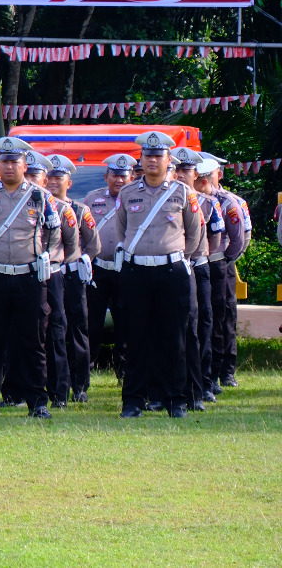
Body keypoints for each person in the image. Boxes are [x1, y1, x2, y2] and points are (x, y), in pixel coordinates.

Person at [0, 136, 60, 419]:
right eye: (4, 161)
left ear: (24, 164)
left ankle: (37, 402)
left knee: (32, 343)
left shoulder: (40, 196)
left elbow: (54, 233)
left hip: (29, 279)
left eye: (14, 161)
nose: (8, 167)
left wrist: (43, 257)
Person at [114, 131, 202, 418]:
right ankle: (133, 401)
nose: (153, 160)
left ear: (168, 160)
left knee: (174, 338)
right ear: (141, 159)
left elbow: (194, 233)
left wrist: (176, 257)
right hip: (136, 270)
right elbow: (121, 229)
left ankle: (176, 399)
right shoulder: (128, 193)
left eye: (158, 156)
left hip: (171, 271)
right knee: (136, 337)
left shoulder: (183, 193)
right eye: (148, 156)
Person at [45, 155, 98, 405]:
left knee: (77, 329)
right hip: (47, 274)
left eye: (59, 177)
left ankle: (79, 384)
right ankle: (53, 382)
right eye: (50, 177)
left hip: (72, 274)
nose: (53, 181)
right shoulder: (40, 206)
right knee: (51, 328)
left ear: (69, 182)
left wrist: (81, 260)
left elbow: (93, 244)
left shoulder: (79, 210)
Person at [83, 153, 134, 380]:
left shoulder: (137, 199)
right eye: (115, 175)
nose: (119, 181)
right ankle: (87, 367)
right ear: (106, 177)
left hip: (126, 270)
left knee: (125, 321)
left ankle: (123, 370)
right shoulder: (92, 199)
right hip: (99, 269)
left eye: (124, 176)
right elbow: (82, 232)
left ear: (131, 177)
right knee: (92, 321)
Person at [178, 151, 221, 409]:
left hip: (198, 265)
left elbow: (215, 236)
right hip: (171, 269)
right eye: (178, 170)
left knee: (201, 324)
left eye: (187, 171)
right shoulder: (165, 198)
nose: (182, 175)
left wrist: (202, 254)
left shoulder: (206, 203)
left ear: (196, 175)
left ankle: (204, 383)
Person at [209, 162, 248, 389]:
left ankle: (227, 371)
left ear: (219, 174)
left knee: (226, 318)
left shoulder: (232, 202)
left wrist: (226, 261)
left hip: (224, 265)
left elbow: (244, 237)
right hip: (203, 266)